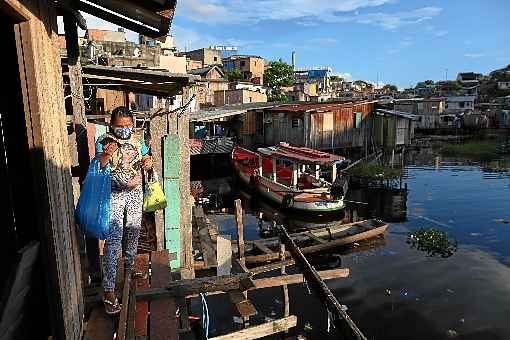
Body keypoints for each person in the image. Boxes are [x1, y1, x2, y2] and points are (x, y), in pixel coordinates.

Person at [96, 106, 153, 314]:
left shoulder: (138, 140)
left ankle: (129, 268)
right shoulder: (104, 140)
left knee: (133, 230)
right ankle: (109, 290)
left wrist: (148, 160)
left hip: (136, 193)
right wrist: (105, 154)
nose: (124, 130)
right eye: (120, 126)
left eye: (128, 125)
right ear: (112, 125)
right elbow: (99, 165)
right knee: (113, 239)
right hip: (115, 194)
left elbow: (147, 157)